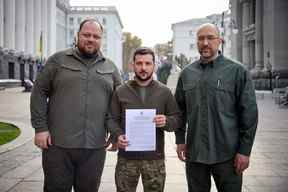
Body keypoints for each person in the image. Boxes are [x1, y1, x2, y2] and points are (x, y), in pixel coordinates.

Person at [30, 18, 122, 192]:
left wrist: (116, 133)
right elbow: (39, 92)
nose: (91, 39)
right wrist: (40, 128)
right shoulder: (58, 60)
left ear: (101, 39)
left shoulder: (111, 68)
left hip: (94, 148)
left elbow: (119, 102)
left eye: (96, 36)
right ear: (77, 35)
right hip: (58, 146)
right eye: (86, 35)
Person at [174, 23, 258, 192]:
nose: (205, 42)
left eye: (210, 38)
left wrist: (245, 151)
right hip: (195, 154)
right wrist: (180, 140)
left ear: (220, 41)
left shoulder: (237, 72)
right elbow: (179, 111)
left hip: (228, 155)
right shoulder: (187, 73)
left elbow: (249, 114)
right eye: (200, 39)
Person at [108, 47, 182, 192]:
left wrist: (166, 121)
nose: (143, 68)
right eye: (139, 63)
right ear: (132, 65)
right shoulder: (120, 91)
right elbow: (110, 118)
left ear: (154, 65)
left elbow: (177, 119)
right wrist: (117, 135)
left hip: (155, 159)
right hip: (126, 159)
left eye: (148, 64)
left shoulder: (164, 92)